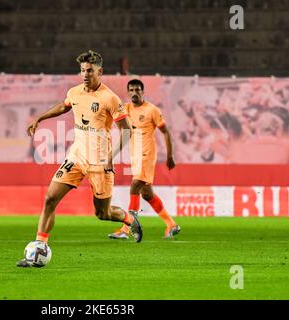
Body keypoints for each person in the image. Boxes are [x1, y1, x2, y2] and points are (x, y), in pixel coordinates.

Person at [17, 50, 143, 267]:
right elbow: (64, 106)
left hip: (100, 162)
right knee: (50, 199)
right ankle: (39, 246)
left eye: (90, 71)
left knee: (102, 213)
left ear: (100, 72)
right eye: (83, 70)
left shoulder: (109, 98)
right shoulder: (75, 92)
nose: (85, 74)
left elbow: (126, 130)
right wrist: (40, 117)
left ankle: (129, 219)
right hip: (76, 157)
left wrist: (111, 157)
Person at [108, 79, 180, 240]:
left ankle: (127, 229)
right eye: (131, 90)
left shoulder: (152, 110)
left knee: (135, 186)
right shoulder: (125, 108)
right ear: (128, 92)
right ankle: (171, 224)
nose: (134, 93)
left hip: (147, 154)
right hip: (135, 155)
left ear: (143, 92)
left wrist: (169, 155)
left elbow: (166, 132)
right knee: (147, 194)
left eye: (137, 90)